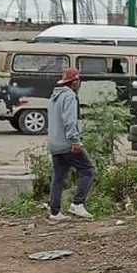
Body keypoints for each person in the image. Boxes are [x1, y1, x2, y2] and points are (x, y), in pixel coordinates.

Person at [47, 68, 95, 223]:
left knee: (59, 177)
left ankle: (54, 212)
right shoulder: (69, 97)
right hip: (68, 143)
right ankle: (78, 203)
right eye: (78, 81)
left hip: (55, 144)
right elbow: (70, 120)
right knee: (88, 169)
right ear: (74, 82)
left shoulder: (54, 97)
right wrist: (75, 140)